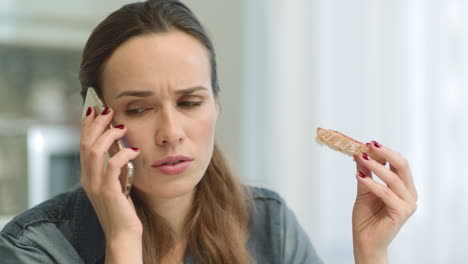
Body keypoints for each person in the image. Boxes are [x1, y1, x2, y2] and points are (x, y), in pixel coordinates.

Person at [0, 0, 418, 263]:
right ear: (95, 118)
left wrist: (372, 252)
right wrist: (124, 239)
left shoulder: (269, 224)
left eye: (190, 102)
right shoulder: (34, 247)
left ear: (217, 103)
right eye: (139, 108)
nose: (170, 133)